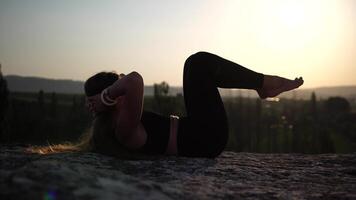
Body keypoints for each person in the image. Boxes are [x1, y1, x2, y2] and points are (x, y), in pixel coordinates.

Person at [27, 51, 303, 157]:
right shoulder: (123, 127)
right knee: (196, 64)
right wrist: (107, 96)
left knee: (196, 65)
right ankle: (263, 84)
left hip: (200, 131)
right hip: (207, 139)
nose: (120, 84)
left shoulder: (122, 121)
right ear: (110, 98)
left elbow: (129, 82)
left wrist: (106, 96)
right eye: (114, 86)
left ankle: (261, 84)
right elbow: (134, 80)